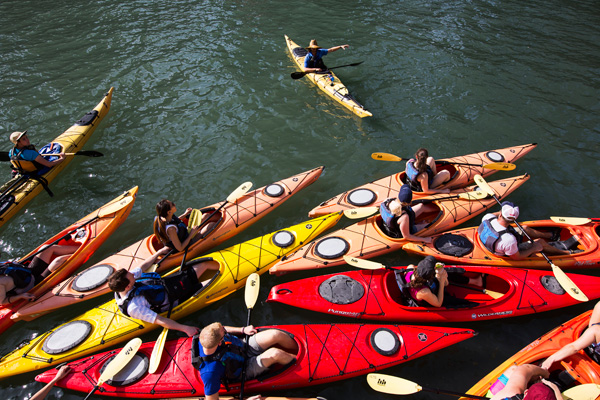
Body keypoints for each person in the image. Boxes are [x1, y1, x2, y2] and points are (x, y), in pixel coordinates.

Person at [108, 247, 219, 337]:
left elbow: (143, 267)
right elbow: (161, 320)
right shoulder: (135, 307)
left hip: (168, 284)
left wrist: (158, 252)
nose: (133, 274)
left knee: (204, 264)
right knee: (213, 282)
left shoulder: (122, 286)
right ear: (128, 287)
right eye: (131, 276)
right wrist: (185, 328)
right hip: (175, 298)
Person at [196, 322, 298, 400]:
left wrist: (242, 329)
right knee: (275, 354)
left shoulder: (207, 334)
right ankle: (301, 365)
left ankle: (300, 350)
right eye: (224, 331)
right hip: (242, 370)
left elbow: (222, 329)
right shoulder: (210, 372)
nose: (224, 329)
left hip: (243, 347)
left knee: (275, 334)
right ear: (219, 342)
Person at [478, 202, 570, 261]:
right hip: (502, 253)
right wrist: (534, 248)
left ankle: (551, 236)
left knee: (524, 229)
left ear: (501, 214)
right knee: (540, 242)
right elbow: (517, 257)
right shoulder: (509, 240)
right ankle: (567, 254)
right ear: (514, 220)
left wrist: (505, 210)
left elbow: (499, 214)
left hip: (491, 241)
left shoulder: (487, 217)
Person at [0, 244, 79, 306]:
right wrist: (21, 296)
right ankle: (85, 252)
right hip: (34, 285)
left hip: (29, 274)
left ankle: (82, 246)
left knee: (47, 248)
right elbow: (2, 302)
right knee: (59, 261)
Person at [541, 300, 600, 370]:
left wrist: (550, 359)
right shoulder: (595, 330)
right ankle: (590, 340)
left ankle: (590, 340)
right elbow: (574, 347)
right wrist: (550, 359)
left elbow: (574, 347)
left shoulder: (595, 330)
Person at [404, 256, 482, 308]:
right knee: (454, 301)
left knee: (448, 273)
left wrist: (441, 275)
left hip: (428, 285)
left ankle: (476, 282)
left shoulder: (410, 268)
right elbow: (438, 303)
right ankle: (477, 305)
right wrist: (441, 282)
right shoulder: (424, 292)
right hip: (432, 299)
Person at [153, 199, 217, 252]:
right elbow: (180, 248)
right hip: (186, 242)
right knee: (212, 225)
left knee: (206, 216)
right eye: (172, 204)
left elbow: (175, 221)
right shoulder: (171, 229)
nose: (174, 204)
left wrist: (185, 214)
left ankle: (222, 218)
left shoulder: (163, 217)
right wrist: (191, 234)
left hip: (184, 234)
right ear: (169, 212)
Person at [490, 364, 562, 400]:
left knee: (514, 369)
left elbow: (525, 368)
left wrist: (544, 373)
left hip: (498, 397)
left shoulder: (511, 393)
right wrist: (557, 391)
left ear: (526, 392)